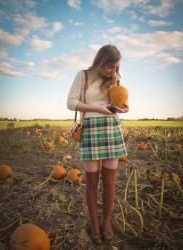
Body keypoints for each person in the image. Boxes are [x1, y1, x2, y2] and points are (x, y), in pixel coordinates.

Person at [67, 44, 129, 244]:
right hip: (91, 129)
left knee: (109, 182)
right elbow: (71, 102)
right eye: (111, 67)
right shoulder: (83, 76)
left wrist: (124, 106)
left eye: (116, 67)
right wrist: (100, 109)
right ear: (101, 61)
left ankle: (107, 222)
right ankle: (94, 224)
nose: (114, 71)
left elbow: (118, 103)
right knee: (92, 182)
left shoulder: (114, 78)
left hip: (112, 128)